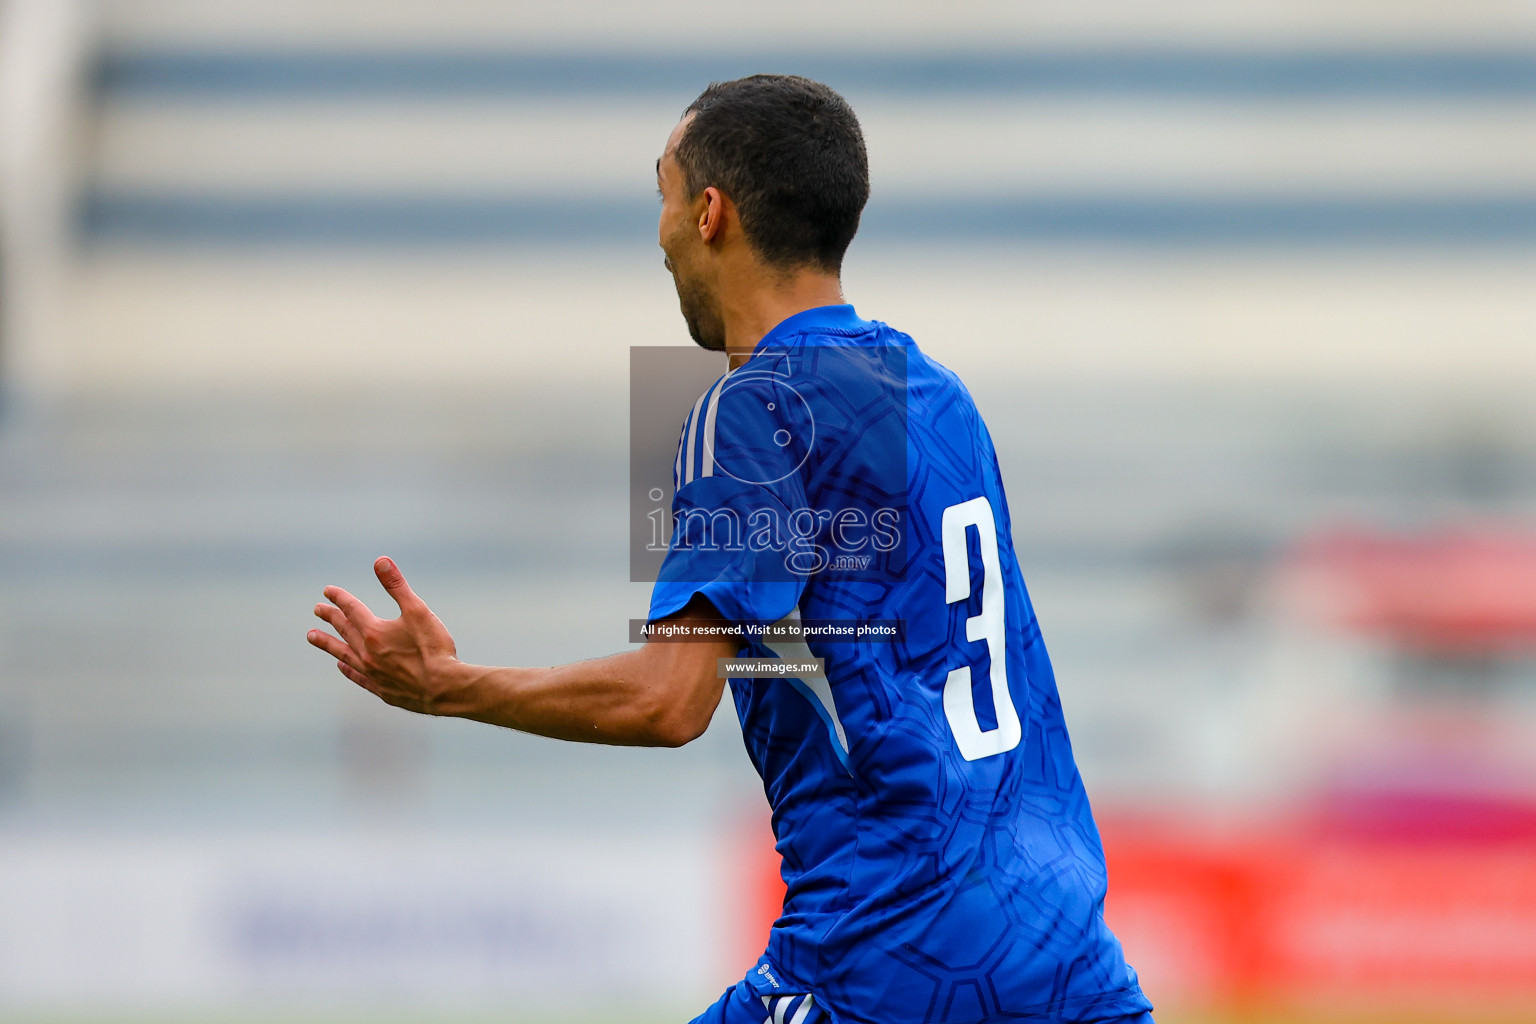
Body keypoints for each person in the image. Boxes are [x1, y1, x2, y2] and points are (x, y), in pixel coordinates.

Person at [306, 74, 1153, 1024]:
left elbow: (669, 701)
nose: (658, 233)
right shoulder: (934, 390)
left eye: (662, 193)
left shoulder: (752, 411)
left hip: (889, 942)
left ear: (709, 214)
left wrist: (452, 688)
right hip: (1063, 939)